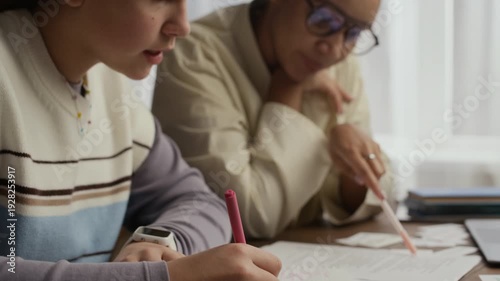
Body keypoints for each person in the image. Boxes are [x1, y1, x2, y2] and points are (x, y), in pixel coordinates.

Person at [0, 1, 281, 280]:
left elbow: (199, 201)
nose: (183, 27)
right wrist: (160, 276)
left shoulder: (111, 86)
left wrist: (157, 245)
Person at [152, 0, 397, 238]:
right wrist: (289, 87)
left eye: (355, 33)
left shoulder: (339, 59)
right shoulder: (194, 54)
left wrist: (354, 172)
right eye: (324, 18)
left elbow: (382, 193)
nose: (334, 49)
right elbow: (248, 218)